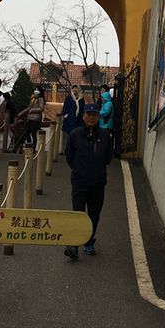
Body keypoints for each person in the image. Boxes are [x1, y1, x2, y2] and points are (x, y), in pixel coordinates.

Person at [63, 103, 115, 259]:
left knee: (94, 214)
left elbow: (108, 158)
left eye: (94, 114)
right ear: (84, 116)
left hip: (98, 182)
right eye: (89, 114)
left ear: (98, 116)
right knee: (78, 213)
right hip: (80, 181)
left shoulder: (105, 136)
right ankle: (74, 245)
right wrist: (79, 169)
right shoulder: (75, 134)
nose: (91, 117)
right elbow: (69, 157)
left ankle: (89, 242)